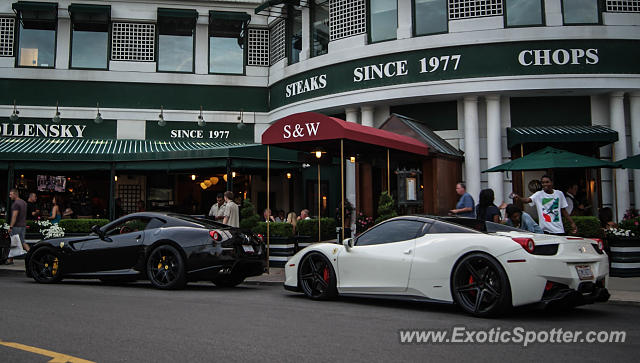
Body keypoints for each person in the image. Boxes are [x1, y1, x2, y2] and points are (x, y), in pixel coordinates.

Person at [513, 175, 577, 235]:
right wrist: (519, 198)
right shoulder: (538, 194)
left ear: (551, 183)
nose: (545, 184)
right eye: (543, 183)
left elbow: (563, 210)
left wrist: (572, 223)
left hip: (558, 230)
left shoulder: (559, 194)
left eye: (547, 182)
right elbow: (527, 200)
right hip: (545, 231)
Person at [7, 188, 29, 264]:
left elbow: (14, 216)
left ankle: (32, 255)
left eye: (11, 194)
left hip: (16, 226)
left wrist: (11, 227)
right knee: (16, 242)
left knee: (17, 242)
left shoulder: (16, 204)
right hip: (23, 225)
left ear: (15, 194)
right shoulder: (24, 202)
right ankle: (10, 259)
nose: (10, 196)